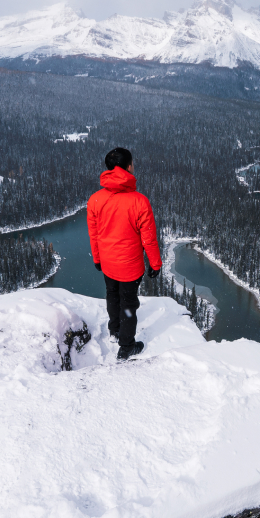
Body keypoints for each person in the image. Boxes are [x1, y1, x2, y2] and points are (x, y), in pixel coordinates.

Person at [87, 147, 162, 360]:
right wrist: (155, 264)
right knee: (129, 303)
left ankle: (115, 330)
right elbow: (149, 239)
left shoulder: (95, 199)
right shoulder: (139, 201)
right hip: (130, 266)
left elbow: (94, 233)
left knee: (112, 295)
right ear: (128, 167)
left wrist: (97, 258)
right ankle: (127, 345)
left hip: (108, 262)